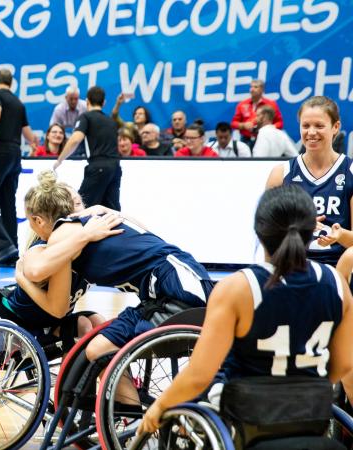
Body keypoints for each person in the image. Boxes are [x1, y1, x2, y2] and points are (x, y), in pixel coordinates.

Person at [139, 185, 353, 435]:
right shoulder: (336, 283)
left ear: (259, 230)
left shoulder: (238, 287)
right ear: (311, 232)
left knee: (176, 418)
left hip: (248, 410)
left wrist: (158, 407)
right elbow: (344, 364)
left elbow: (198, 376)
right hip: (311, 409)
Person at [21, 174, 214, 394]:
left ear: (38, 219)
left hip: (173, 289)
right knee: (106, 332)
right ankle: (123, 411)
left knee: (98, 348)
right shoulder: (99, 218)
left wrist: (22, 278)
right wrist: (87, 232)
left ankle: (126, 415)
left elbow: (38, 277)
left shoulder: (67, 232)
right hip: (190, 280)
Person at [0, 174, 106, 343]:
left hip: (54, 318)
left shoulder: (85, 238)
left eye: (79, 203)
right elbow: (57, 308)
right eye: (72, 205)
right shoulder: (42, 250)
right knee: (83, 325)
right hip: (24, 323)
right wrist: (21, 278)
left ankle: (115, 369)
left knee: (100, 323)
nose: (79, 210)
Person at [266, 96, 352, 266]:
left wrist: (340, 235)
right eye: (305, 126)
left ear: (335, 127)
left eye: (319, 126)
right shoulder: (281, 174)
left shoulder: (349, 171)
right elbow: (267, 233)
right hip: (294, 268)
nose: (311, 132)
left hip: (339, 268)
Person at [0, 68, 39, 266]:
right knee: (7, 202)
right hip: (15, 153)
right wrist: (35, 144)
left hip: (0, 150)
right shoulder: (18, 102)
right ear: (11, 83)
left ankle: (4, 246)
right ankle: (12, 250)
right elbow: (28, 134)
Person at [54, 85, 122, 211]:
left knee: (80, 205)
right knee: (111, 210)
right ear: (104, 102)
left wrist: (59, 160)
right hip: (115, 168)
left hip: (98, 167)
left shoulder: (86, 117)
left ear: (87, 101)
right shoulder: (111, 122)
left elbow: (75, 139)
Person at [232, 79, 283, 147]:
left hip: (265, 138)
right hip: (246, 139)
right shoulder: (242, 104)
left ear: (262, 89)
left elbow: (280, 123)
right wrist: (243, 125)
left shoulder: (271, 105)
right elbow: (233, 123)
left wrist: (268, 128)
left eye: (255, 87)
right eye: (251, 87)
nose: (252, 89)